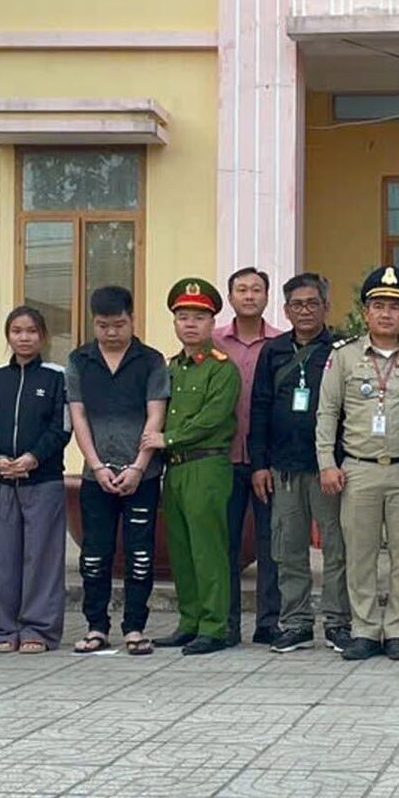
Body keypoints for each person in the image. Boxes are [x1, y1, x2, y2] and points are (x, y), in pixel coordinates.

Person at [318, 265, 399, 662]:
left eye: (394, 307)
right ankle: (364, 629)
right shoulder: (343, 356)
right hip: (359, 469)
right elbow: (327, 413)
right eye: (378, 306)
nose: (386, 314)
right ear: (365, 312)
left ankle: (397, 630)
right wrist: (326, 462)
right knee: (360, 553)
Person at [249, 272, 351, 654]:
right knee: (287, 548)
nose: (305, 310)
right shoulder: (273, 351)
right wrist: (259, 463)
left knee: (336, 548)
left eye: (312, 303)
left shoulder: (341, 349)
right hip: (284, 467)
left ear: (326, 306)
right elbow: (258, 408)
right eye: (297, 304)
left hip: (329, 468)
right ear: (286, 309)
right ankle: (295, 623)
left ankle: (338, 622)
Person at [67, 286, 169, 655]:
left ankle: (135, 628)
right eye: (103, 325)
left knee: (140, 555)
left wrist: (139, 467)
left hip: (142, 475)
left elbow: (156, 414)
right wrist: (95, 464)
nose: (111, 333)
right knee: (95, 553)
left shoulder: (151, 361)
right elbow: (78, 416)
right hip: (97, 475)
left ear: (132, 320)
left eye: (119, 324)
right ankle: (96, 627)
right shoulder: (80, 361)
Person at [141, 278, 241, 655]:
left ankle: (214, 626)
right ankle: (190, 621)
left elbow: (213, 418)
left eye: (198, 317)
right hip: (176, 470)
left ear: (212, 322)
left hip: (207, 466)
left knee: (207, 547)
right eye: (182, 317)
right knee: (180, 548)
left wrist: (167, 439)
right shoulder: (173, 368)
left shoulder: (221, 368)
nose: (190, 324)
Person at [0, 306, 71, 653]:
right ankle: (4, 629)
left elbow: (61, 427)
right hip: (0, 481)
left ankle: (38, 630)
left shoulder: (57, 376)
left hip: (42, 480)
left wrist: (33, 458)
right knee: (2, 558)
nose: (24, 338)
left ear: (42, 336)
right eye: (17, 331)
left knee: (42, 558)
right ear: (8, 335)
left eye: (31, 331)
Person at [215, 266, 283, 645]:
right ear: (231, 297)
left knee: (270, 544)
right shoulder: (212, 341)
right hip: (222, 459)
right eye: (241, 289)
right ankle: (225, 621)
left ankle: (268, 621)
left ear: (266, 296)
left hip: (266, 461)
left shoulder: (280, 343)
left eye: (256, 289)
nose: (249, 296)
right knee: (224, 543)